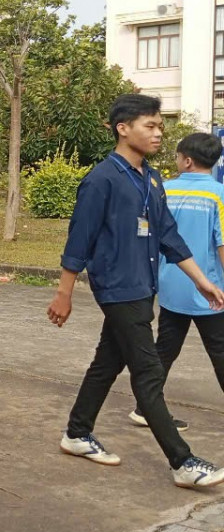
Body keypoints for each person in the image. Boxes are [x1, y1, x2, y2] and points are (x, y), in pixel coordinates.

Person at [49, 94, 224, 488]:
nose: (159, 133)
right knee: (147, 372)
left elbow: (168, 235)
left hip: (143, 285)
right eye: (150, 125)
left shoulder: (151, 178)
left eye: (160, 126)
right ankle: (183, 462)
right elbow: (79, 240)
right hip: (117, 287)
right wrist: (64, 293)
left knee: (107, 362)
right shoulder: (102, 180)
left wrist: (201, 280)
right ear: (123, 128)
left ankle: (77, 433)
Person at [126, 133, 224, 430]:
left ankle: (144, 408)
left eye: (178, 156)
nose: (176, 160)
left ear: (188, 161)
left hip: (170, 286)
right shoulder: (218, 195)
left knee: (164, 350)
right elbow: (222, 245)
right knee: (220, 351)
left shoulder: (163, 190)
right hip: (209, 290)